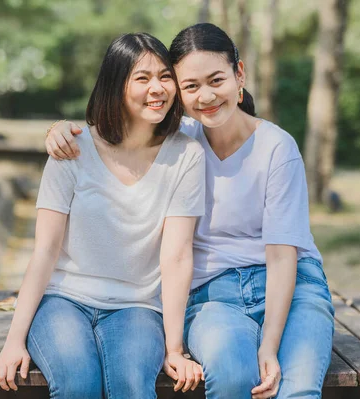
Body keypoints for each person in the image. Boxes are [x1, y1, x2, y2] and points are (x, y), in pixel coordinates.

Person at [45, 23, 334, 399]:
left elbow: (282, 255)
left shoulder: (277, 148)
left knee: (296, 391)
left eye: (217, 80)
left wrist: (269, 344)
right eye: (191, 86)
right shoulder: (177, 139)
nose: (207, 96)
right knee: (233, 378)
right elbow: (114, 128)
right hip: (213, 291)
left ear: (239, 74)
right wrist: (59, 129)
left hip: (293, 286)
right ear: (177, 91)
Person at [0, 32, 207, 398]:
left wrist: (175, 348)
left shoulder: (186, 155)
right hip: (64, 301)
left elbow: (177, 256)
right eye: (142, 78)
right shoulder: (72, 149)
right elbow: (45, 251)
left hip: (137, 307)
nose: (158, 88)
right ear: (116, 85)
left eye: (165, 77)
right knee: (78, 383)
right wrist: (13, 342)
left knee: (132, 386)